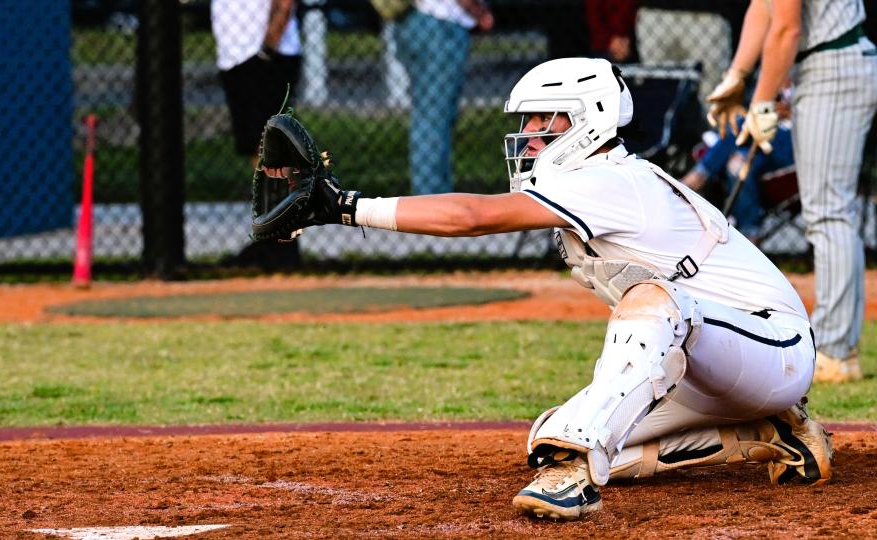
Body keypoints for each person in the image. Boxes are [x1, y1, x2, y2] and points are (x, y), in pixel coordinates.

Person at [268, 58, 832, 520]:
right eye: (530, 122)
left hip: (772, 346)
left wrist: (347, 207)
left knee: (643, 317)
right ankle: (767, 433)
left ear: (588, 121)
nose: (530, 135)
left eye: (546, 121)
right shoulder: (597, 179)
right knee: (547, 436)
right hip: (717, 363)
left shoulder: (608, 178)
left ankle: (577, 476)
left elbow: (470, 217)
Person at [707, 0, 877, 383]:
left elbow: (786, 29)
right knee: (832, 214)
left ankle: (834, 349)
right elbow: (761, 8)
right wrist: (736, 75)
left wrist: (762, 102)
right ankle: (840, 349)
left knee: (829, 213)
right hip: (829, 64)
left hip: (831, 66)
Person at [212, 0, 302, 268]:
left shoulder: (266, 53)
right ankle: (273, 238)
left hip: (265, 55)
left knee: (272, 150)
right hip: (236, 55)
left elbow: (285, 3)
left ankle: (282, 245)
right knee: (258, 151)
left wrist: (267, 47)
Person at [394, 0, 493, 195]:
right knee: (433, 120)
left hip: (416, 21)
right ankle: (431, 201)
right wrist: (479, 12)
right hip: (439, 24)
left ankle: (432, 197)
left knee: (429, 116)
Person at [682, 107, 795, 241]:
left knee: (747, 123)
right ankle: (749, 232)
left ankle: (697, 176)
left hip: (791, 146)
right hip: (760, 147)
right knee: (738, 163)